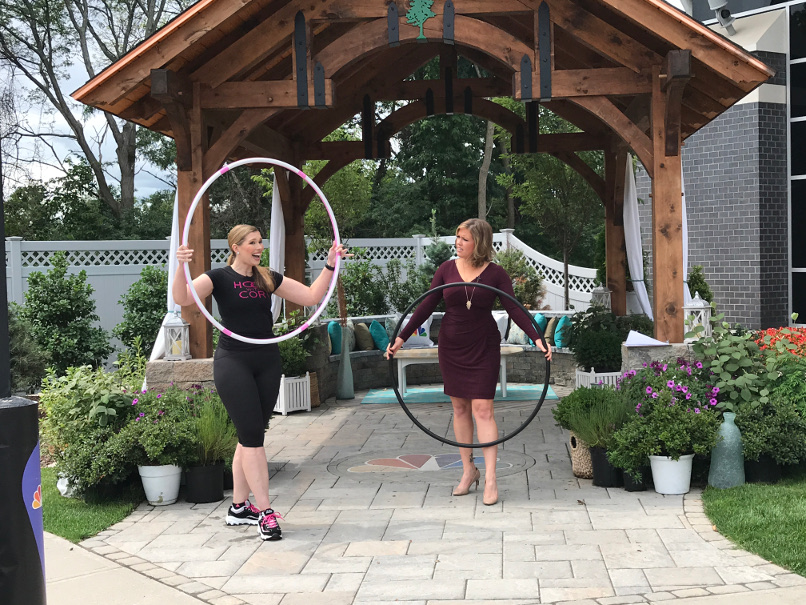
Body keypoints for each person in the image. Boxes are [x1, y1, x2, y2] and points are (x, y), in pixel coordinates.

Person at [173, 224, 348, 541]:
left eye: (260, 243)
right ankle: (266, 513)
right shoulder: (218, 278)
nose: (259, 247)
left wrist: (331, 264)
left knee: (249, 435)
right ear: (236, 246)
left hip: (267, 360)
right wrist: (181, 265)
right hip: (234, 361)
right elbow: (182, 297)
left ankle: (239, 508)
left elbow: (311, 295)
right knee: (253, 439)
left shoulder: (267, 277)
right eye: (252, 243)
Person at [386, 218, 551, 506]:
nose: (457, 243)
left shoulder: (496, 273)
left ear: (480, 243)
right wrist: (400, 338)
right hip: (452, 345)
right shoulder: (446, 269)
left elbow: (513, 307)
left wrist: (538, 338)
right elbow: (425, 305)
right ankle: (468, 471)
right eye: (457, 237)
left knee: (483, 409)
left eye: (464, 238)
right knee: (460, 408)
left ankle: (490, 478)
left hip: (483, 344)